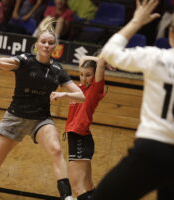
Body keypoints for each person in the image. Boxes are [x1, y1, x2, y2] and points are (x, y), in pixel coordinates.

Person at [93, 0, 174, 199]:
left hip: (153, 149)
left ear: (171, 33)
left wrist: (136, 22)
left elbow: (109, 53)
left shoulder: (156, 57)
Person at [0, 17, 85, 200]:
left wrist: (63, 94)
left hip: (41, 120)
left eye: (50, 43)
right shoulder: (24, 61)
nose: (47, 45)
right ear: (37, 44)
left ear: (54, 47)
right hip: (16, 117)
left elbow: (81, 96)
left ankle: (67, 196)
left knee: (56, 150)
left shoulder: (58, 70)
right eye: (43, 42)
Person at [65, 56, 110, 200]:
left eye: (89, 75)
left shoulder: (95, 89)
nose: (84, 78)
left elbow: (101, 61)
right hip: (79, 138)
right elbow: (84, 58)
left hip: (80, 137)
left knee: (78, 189)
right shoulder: (79, 88)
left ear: (95, 75)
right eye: (81, 74)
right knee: (88, 187)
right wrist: (94, 60)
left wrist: (104, 64)